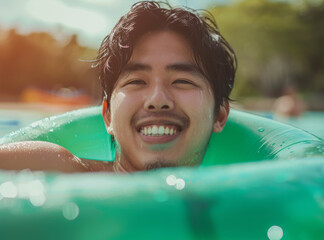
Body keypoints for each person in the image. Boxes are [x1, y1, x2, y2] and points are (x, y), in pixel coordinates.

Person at [0, 1, 236, 173]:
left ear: (220, 114)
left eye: (182, 81)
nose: (157, 99)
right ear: (108, 116)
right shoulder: (59, 173)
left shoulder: (246, 199)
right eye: (136, 81)